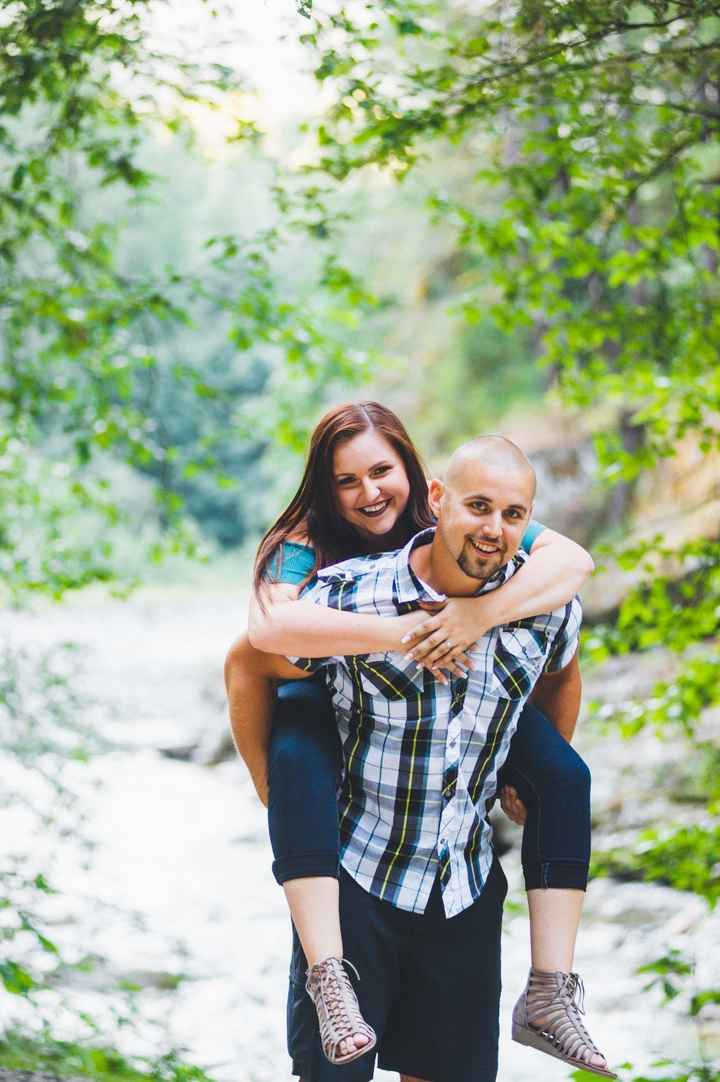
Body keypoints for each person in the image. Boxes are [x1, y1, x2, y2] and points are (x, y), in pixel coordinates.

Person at [224, 403, 611, 1078]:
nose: (370, 492)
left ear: (415, 475)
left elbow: (570, 572)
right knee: (297, 748)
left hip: (459, 866)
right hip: (346, 753)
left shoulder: (486, 529)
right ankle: (328, 972)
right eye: (348, 480)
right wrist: (407, 632)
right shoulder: (312, 557)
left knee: (565, 775)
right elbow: (259, 644)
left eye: (382, 471)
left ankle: (552, 992)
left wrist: (475, 616)